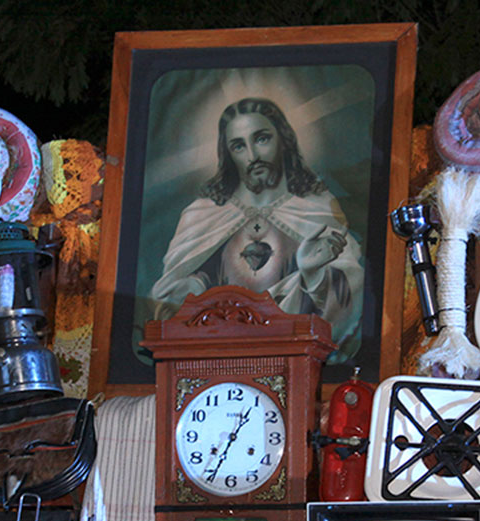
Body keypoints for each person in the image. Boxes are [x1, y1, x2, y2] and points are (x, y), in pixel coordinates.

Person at [151, 97, 365, 362]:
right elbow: (169, 301)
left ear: (284, 139)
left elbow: (351, 286)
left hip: (292, 358)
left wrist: (313, 276)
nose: (252, 156)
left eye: (262, 139)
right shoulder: (203, 214)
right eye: (239, 146)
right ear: (228, 154)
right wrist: (194, 288)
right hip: (216, 359)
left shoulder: (316, 208)